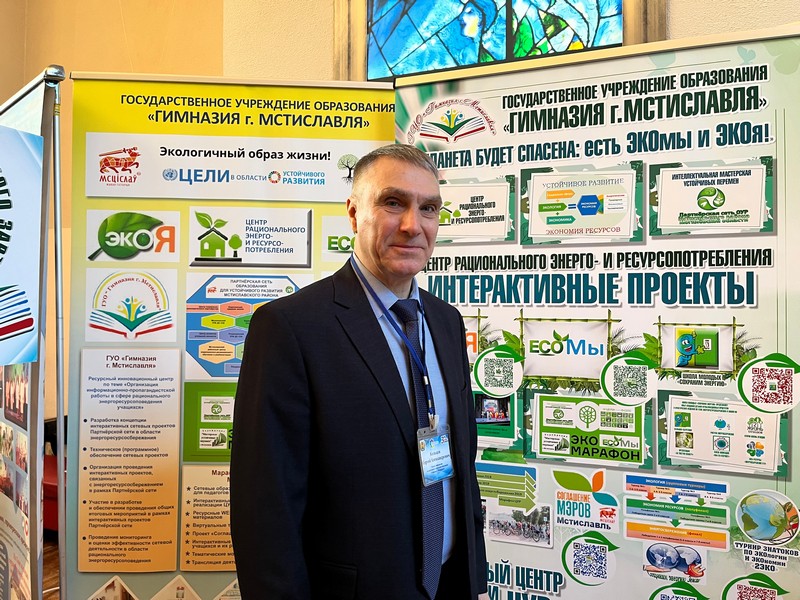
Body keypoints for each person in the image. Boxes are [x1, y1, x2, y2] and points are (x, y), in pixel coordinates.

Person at [230, 143, 488, 599]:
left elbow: (460, 469)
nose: (413, 225)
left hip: (449, 584)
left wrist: (474, 577)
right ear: (353, 213)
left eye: (428, 208)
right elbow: (265, 510)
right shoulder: (291, 327)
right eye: (393, 203)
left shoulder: (446, 321)